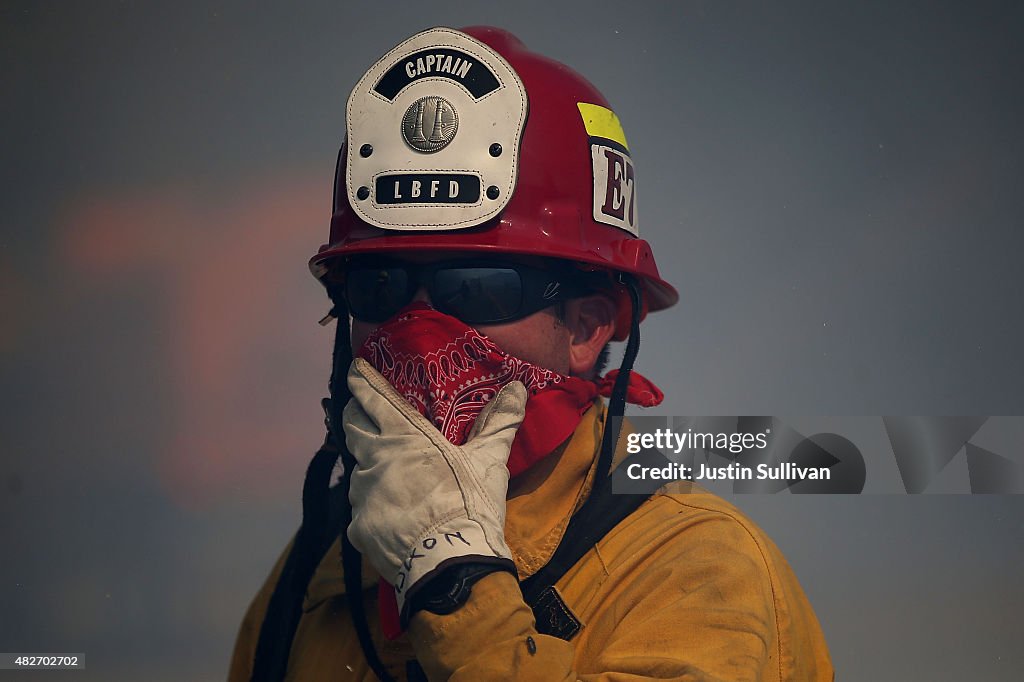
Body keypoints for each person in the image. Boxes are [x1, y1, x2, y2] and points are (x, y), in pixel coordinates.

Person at [229, 26, 833, 681]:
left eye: (478, 290)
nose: (418, 329)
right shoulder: (319, 568)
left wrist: (453, 581)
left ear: (587, 327)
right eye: (383, 285)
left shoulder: (698, 568)